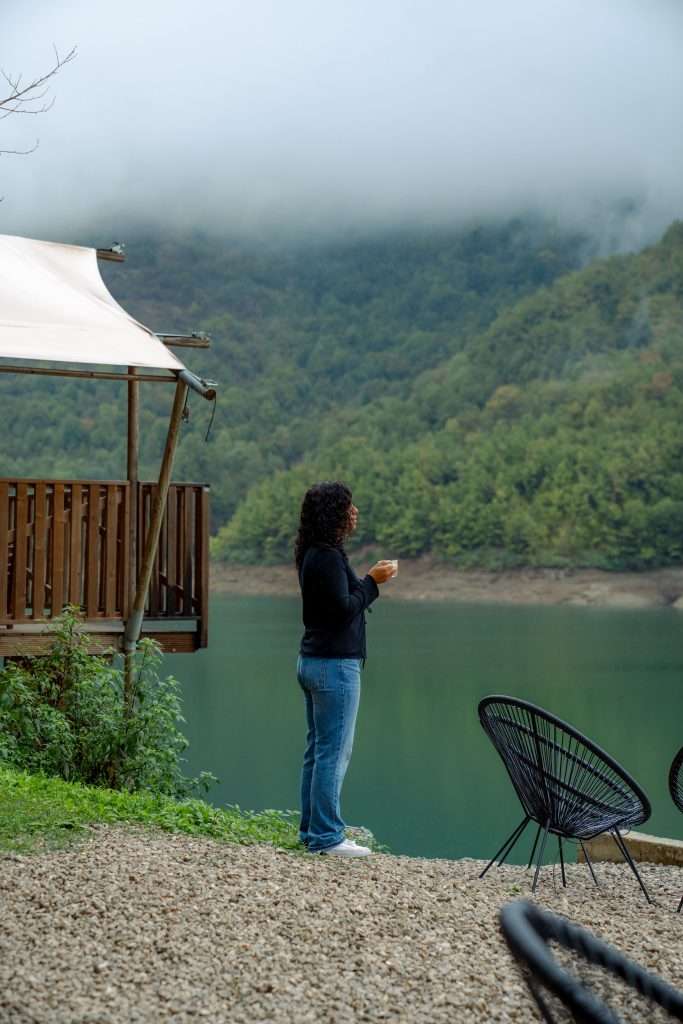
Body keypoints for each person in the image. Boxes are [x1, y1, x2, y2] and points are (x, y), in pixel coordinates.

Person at [294, 480, 395, 857]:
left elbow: (340, 600)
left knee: (318, 751)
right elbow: (342, 608)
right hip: (334, 667)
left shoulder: (314, 553)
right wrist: (373, 582)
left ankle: (312, 832)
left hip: (314, 661)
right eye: (349, 506)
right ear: (333, 513)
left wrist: (367, 580)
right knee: (333, 753)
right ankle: (327, 838)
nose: (355, 512)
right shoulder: (327, 556)